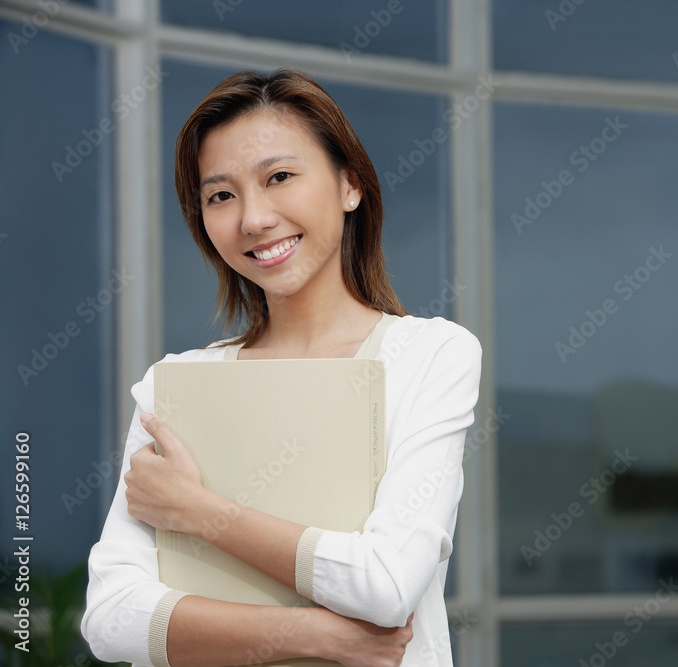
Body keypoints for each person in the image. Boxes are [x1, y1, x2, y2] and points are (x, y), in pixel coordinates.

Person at [81, 68, 482, 667]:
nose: (253, 218)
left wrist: (199, 512)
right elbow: (110, 619)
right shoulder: (178, 384)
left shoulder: (429, 355)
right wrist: (315, 637)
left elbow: (386, 584)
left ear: (351, 185)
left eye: (280, 177)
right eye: (221, 195)